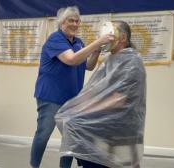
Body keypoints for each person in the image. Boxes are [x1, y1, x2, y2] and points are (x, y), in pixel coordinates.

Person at [30, 6, 114, 168]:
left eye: (77, 21)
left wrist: (96, 51)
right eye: (71, 20)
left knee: (70, 139)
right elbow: (71, 60)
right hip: (50, 97)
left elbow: (88, 66)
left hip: (72, 98)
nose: (75, 24)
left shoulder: (78, 42)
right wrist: (97, 42)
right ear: (62, 23)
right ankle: (33, 165)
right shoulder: (55, 39)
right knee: (43, 134)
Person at [55, 21, 146, 168]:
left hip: (122, 118)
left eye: (109, 35)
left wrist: (87, 110)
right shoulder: (110, 59)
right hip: (109, 113)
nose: (104, 38)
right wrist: (79, 108)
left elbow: (119, 99)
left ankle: (94, 163)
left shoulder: (131, 62)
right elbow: (95, 91)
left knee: (75, 124)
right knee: (68, 119)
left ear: (122, 38)